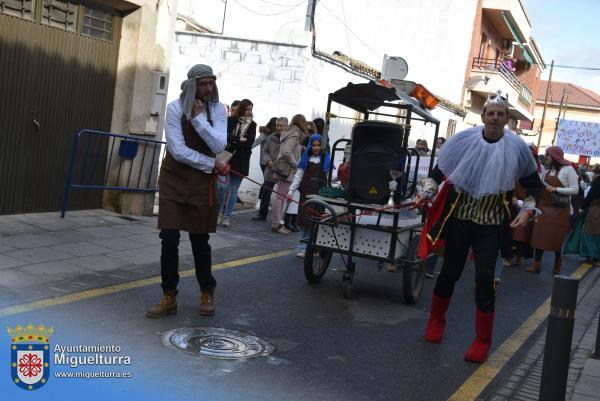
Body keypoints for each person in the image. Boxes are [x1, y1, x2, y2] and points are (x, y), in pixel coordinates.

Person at [416, 91, 542, 362]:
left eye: (500, 113)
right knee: (449, 273)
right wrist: (426, 192)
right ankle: (436, 321)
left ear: (507, 118)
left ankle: (482, 339)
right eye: (491, 113)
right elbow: (438, 174)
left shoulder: (517, 147)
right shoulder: (464, 140)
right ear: (483, 117)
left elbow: (534, 187)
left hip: (491, 224)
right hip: (460, 219)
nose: (495, 118)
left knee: (485, 279)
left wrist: (529, 209)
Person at [147, 64, 229, 318]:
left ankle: (207, 291)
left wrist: (198, 119)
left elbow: (218, 144)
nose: (208, 88)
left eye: (211, 83)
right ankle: (168, 295)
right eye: (203, 83)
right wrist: (211, 164)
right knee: (169, 239)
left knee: (199, 240)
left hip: (201, 183)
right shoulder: (173, 108)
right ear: (192, 84)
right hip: (174, 178)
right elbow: (178, 150)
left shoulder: (217, 110)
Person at [527, 146, 578, 274]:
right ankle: (537, 264)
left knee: (555, 237)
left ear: (554, 157)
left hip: (560, 209)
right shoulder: (547, 170)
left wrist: (556, 189)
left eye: (548, 156)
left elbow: (575, 189)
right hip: (544, 206)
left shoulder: (569, 169)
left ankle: (557, 261)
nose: (546, 158)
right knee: (539, 235)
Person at [288, 134, 331, 257]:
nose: (316, 148)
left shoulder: (326, 159)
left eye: (318, 145)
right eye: (314, 145)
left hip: (320, 196)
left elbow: (331, 178)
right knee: (304, 221)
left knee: (317, 221)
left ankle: (314, 248)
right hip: (306, 195)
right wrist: (291, 191)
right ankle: (302, 247)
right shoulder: (305, 159)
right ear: (310, 146)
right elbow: (298, 176)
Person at [217, 99, 256, 227]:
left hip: (241, 160)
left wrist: (234, 141)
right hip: (227, 157)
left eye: (251, 109)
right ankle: (219, 213)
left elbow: (249, 143)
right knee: (222, 187)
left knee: (233, 190)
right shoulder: (231, 120)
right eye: (247, 109)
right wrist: (238, 139)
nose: (249, 112)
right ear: (242, 109)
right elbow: (225, 136)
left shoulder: (253, 125)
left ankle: (227, 216)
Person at [271, 114, 304, 234]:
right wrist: (295, 163)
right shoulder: (294, 134)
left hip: (284, 168)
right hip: (288, 170)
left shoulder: (289, 133)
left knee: (280, 198)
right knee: (280, 198)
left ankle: (278, 223)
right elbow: (286, 152)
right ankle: (277, 224)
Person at [253, 117, 287, 221]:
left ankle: (281, 217)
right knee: (266, 190)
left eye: (281, 126)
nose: (279, 128)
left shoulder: (289, 138)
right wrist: (268, 160)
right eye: (277, 125)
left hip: (283, 170)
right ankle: (262, 214)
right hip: (271, 168)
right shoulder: (270, 137)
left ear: (286, 126)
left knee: (283, 195)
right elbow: (265, 151)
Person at [579, 165, 600, 264]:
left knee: (590, 233)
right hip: (595, 209)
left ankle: (592, 256)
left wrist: (582, 207)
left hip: (596, 210)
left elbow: (590, 195)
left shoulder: (597, 181)